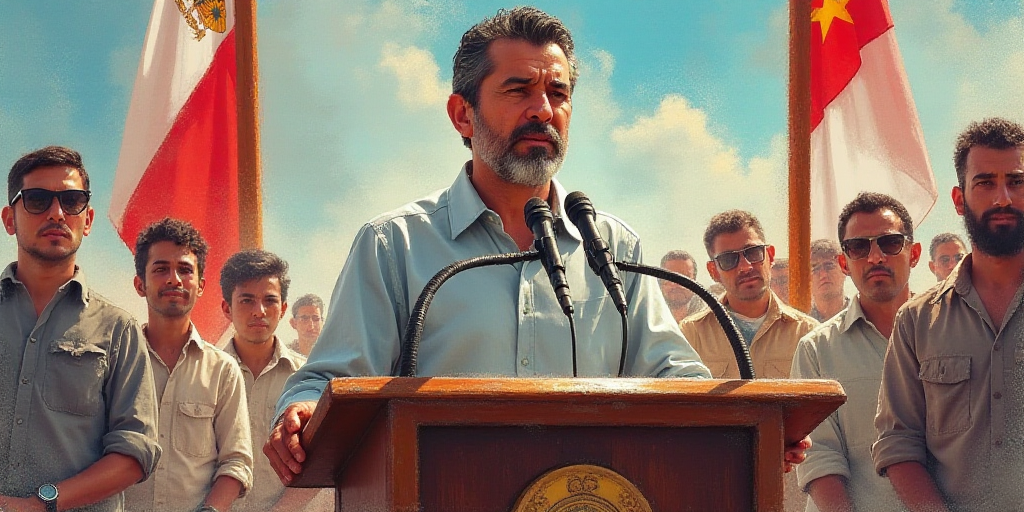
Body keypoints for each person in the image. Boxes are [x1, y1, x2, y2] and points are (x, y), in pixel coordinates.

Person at [262, 6, 804, 486]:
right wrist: (302, 407)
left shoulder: (613, 245)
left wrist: (748, 426)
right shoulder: (395, 244)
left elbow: (672, 375)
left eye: (559, 93)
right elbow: (329, 380)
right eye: (519, 90)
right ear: (462, 115)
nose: (543, 110)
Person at [872, 117, 1024, 511]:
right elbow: (898, 443)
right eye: (986, 182)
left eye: (1017, 181)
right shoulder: (916, 322)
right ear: (959, 199)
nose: (1003, 197)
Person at [0, 146, 161, 511]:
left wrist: (43, 504)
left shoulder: (119, 329)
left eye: (71, 201)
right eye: (38, 199)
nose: (56, 213)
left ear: (86, 220)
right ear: (9, 219)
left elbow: (136, 449)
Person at [792, 193, 920, 512]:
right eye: (859, 247)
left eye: (889, 243)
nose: (875, 257)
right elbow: (819, 458)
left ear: (914, 253)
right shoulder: (815, 350)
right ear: (844, 263)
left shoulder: (952, 335)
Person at [123, 218, 253, 512]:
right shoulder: (118, 361)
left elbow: (237, 462)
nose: (174, 279)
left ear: (201, 285)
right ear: (140, 284)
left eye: (185, 270)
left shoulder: (223, 370)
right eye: (161, 269)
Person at [219, 249, 321, 511]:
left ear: (283, 308)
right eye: (247, 300)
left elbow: (321, 464)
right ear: (226, 308)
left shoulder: (308, 380)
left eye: (270, 300)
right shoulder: (204, 375)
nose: (259, 311)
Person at [680, 210, 818, 379]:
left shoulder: (808, 334)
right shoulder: (691, 335)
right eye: (728, 260)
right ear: (713, 271)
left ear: (770, 255)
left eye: (752, 252)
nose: (745, 267)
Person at [808, 239, 848, 322]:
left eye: (829, 266)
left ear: (844, 268)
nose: (823, 275)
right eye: (815, 269)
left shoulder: (861, 316)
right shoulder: (803, 326)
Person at [659, 250, 699, 321]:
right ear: (660, 281)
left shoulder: (709, 321)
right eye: (670, 277)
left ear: (694, 282)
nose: (677, 284)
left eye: (684, 277)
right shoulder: (646, 319)